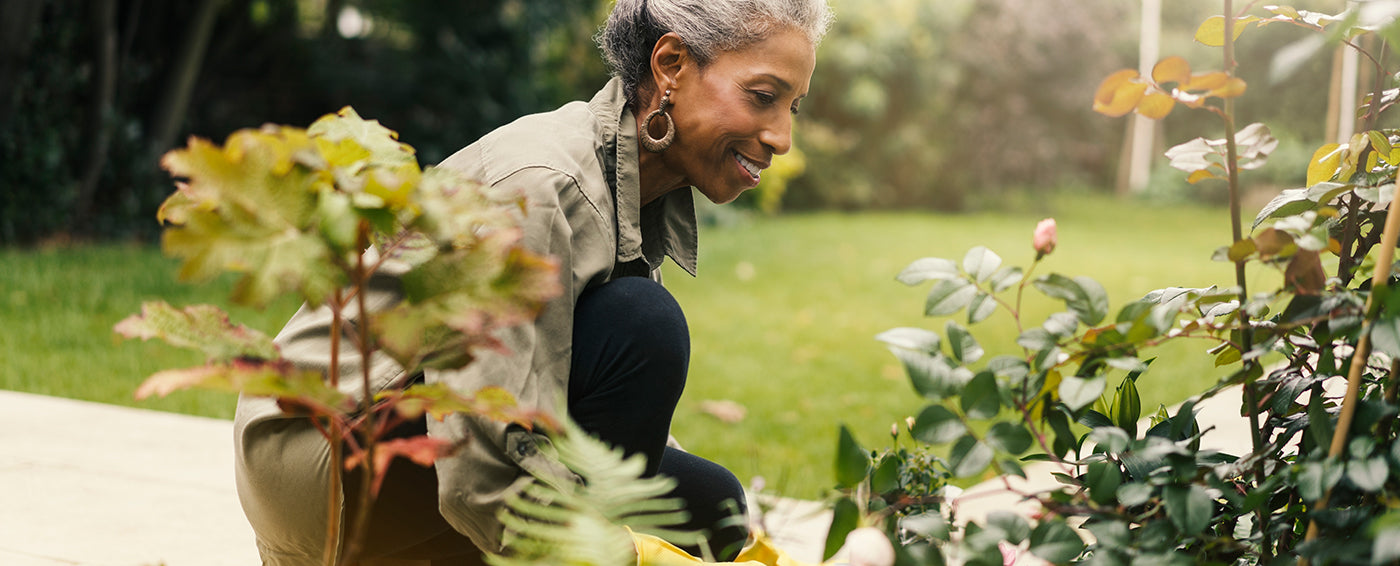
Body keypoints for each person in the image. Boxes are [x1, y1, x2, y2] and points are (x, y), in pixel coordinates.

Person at [232, 0, 833, 563]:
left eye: (792, 107)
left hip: (410, 439)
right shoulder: (544, 186)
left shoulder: (634, 181)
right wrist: (625, 552)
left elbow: (594, 406)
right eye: (762, 97)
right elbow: (479, 465)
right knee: (642, 325)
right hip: (325, 456)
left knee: (713, 507)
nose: (781, 136)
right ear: (671, 65)